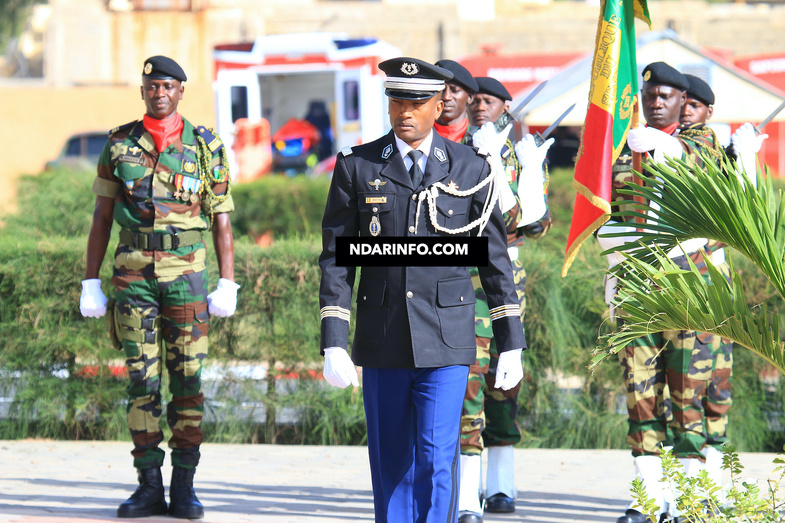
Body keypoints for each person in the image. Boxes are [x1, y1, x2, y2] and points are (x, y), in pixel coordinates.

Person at [318, 57, 526, 523]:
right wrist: (333, 341)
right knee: (391, 462)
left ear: (439, 106)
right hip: (382, 335)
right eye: (397, 101)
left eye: (416, 102)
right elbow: (336, 258)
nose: (405, 111)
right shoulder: (358, 166)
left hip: (447, 336)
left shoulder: (470, 167)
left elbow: (493, 260)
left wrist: (510, 343)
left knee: (436, 457)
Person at [79, 55, 238, 520]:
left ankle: (184, 486)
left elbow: (222, 217)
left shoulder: (205, 144)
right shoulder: (119, 143)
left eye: (168, 85)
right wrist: (91, 280)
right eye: (152, 86)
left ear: (181, 91)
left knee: (188, 382)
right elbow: (102, 219)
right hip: (133, 278)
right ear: (143, 90)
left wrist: (228, 281)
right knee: (141, 381)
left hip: (188, 275)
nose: (160, 93)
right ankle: (148, 485)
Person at [605, 61, 740, 523]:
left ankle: (686, 500)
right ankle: (647, 499)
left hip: (689, 287)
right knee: (640, 394)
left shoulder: (702, 146)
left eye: (667, 95)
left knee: (688, 396)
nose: (657, 101)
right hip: (638, 284)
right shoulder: (625, 148)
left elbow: (710, 177)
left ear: (685, 103)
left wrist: (669, 147)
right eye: (651, 95)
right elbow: (610, 213)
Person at [447, 76, 552, 523]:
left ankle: (502, 486)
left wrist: (526, 174)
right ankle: (468, 495)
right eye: (474, 101)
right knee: (469, 377)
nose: (477, 108)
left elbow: (534, 224)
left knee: (504, 378)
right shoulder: (461, 148)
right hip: (464, 273)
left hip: (507, 273)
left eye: (486, 101)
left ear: (507, 105)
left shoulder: (519, 152)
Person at [433, 59, 478, 144]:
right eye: (441, 90)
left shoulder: (480, 139)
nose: (446, 97)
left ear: (470, 97)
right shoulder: (419, 137)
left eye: (455, 90)